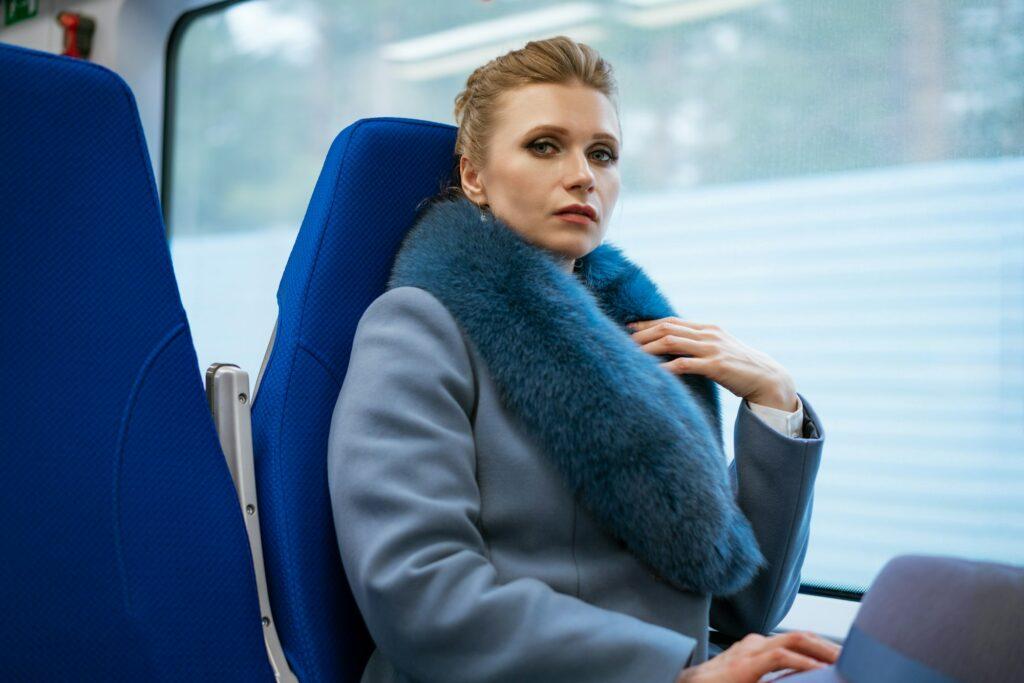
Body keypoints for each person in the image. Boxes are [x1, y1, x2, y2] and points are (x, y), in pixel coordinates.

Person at [328, 35, 837, 683]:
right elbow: (422, 595)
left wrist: (775, 401)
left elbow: (740, 603)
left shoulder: (643, 344)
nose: (582, 175)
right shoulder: (420, 328)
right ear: (474, 176)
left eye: (603, 153)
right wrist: (675, 671)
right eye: (545, 145)